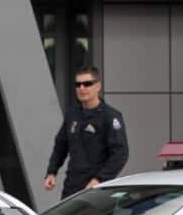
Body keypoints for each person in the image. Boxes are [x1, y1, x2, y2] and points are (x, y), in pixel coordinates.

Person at [44, 66, 129, 199]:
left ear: (98, 86)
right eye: (78, 84)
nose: (82, 88)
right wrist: (51, 172)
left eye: (87, 84)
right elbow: (60, 146)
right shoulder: (72, 114)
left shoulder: (110, 117)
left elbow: (120, 154)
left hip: (98, 191)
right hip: (71, 188)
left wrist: (99, 180)